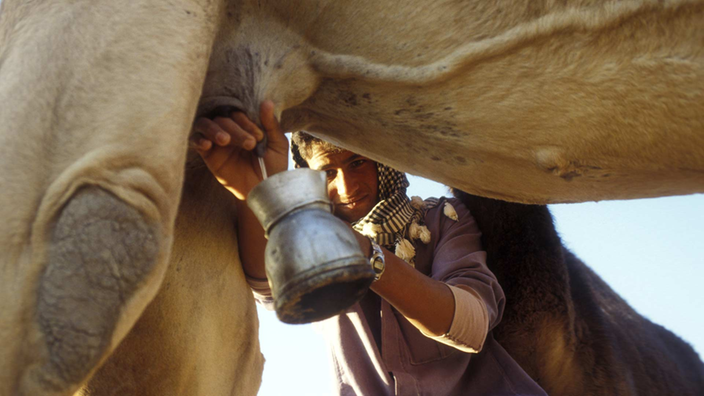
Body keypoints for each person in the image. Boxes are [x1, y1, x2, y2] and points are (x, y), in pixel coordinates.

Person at [191, 101, 547, 396]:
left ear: (381, 160)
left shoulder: (442, 218)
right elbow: (267, 287)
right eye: (327, 173)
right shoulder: (310, 238)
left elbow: (472, 326)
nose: (346, 186)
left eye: (357, 162)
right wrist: (256, 194)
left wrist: (364, 256)